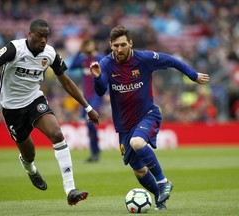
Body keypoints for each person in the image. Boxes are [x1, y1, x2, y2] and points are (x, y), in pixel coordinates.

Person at [0, 19, 99, 206]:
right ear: (30, 34)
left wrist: (88, 108)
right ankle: (31, 169)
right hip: (11, 108)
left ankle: (70, 189)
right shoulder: (14, 49)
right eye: (40, 36)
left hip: (34, 100)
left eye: (46, 36)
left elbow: (66, 82)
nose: (44, 40)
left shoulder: (50, 54)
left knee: (57, 134)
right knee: (29, 154)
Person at [89, 25, 209, 210]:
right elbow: (100, 91)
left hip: (147, 114)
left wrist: (193, 75)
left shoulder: (144, 58)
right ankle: (160, 199)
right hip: (123, 125)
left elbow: (171, 60)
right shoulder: (105, 64)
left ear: (130, 43)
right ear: (110, 45)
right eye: (115, 46)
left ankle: (163, 182)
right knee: (139, 170)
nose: (119, 50)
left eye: (123, 45)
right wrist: (97, 78)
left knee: (137, 143)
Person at [69, 38, 104, 162]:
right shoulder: (83, 60)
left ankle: (95, 152)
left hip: (96, 96)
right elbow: (72, 66)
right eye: (85, 45)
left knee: (90, 122)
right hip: (85, 97)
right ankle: (95, 150)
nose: (87, 47)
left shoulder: (100, 58)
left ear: (94, 44)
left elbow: (107, 74)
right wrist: (79, 51)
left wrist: (109, 92)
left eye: (89, 43)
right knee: (88, 125)